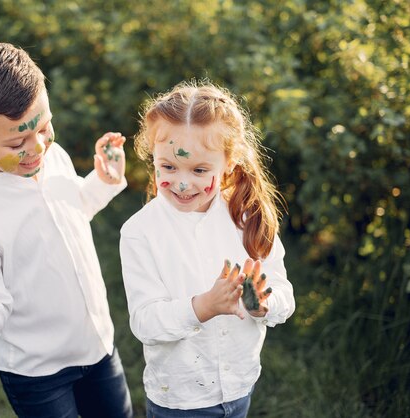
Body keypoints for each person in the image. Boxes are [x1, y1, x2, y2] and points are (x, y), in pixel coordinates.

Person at [0, 42, 133, 418]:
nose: (37, 148)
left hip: (97, 342)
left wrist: (103, 181)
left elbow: (74, 209)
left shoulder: (52, 156)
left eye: (45, 127)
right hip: (36, 371)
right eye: (16, 143)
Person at [119, 80, 295, 417]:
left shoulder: (247, 219)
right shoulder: (140, 233)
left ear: (228, 164)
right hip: (181, 400)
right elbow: (145, 323)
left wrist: (262, 304)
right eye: (168, 167)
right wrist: (203, 307)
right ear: (152, 157)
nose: (183, 183)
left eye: (200, 170)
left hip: (240, 385)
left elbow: (284, 294)